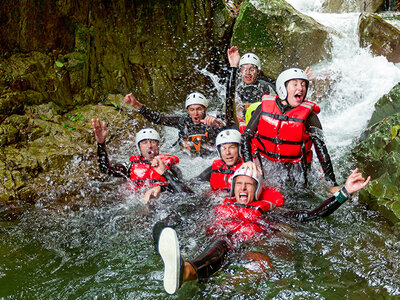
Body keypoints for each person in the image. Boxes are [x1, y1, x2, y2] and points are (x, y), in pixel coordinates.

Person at [155, 167, 370, 294]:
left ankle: (202, 279)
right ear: (233, 189)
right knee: (222, 241)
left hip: (246, 249)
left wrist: (344, 192)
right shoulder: (219, 207)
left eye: (249, 185)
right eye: (239, 184)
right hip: (219, 243)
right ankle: (187, 271)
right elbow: (187, 196)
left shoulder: (268, 213)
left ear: (257, 191)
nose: (243, 189)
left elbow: (312, 215)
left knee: (262, 266)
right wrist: (165, 177)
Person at [241, 67, 339, 191]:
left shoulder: (310, 116)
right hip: (268, 167)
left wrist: (332, 183)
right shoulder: (264, 107)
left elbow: (321, 150)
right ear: (282, 88)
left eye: (303, 84)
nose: (301, 88)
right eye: (295, 84)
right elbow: (246, 137)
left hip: (298, 172)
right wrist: (248, 161)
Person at [92, 120, 186, 203]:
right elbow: (105, 169)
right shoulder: (130, 166)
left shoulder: (170, 166)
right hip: (137, 204)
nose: (149, 146)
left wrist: (161, 188)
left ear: (158, 145)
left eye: (153, 142)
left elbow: (184, 193)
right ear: (139, 147)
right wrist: (101, 144)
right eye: (144, 142)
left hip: (164, 204)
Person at [124, 92, 224, 156]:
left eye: (199, 109)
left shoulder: (213, 122)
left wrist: (220, 126)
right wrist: (137, 105)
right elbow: (158, 119)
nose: (196, 113)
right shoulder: (182, 121)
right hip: (186, 158)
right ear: (187, 110)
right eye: (192, 110)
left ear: (205, 109)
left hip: (207, 159)